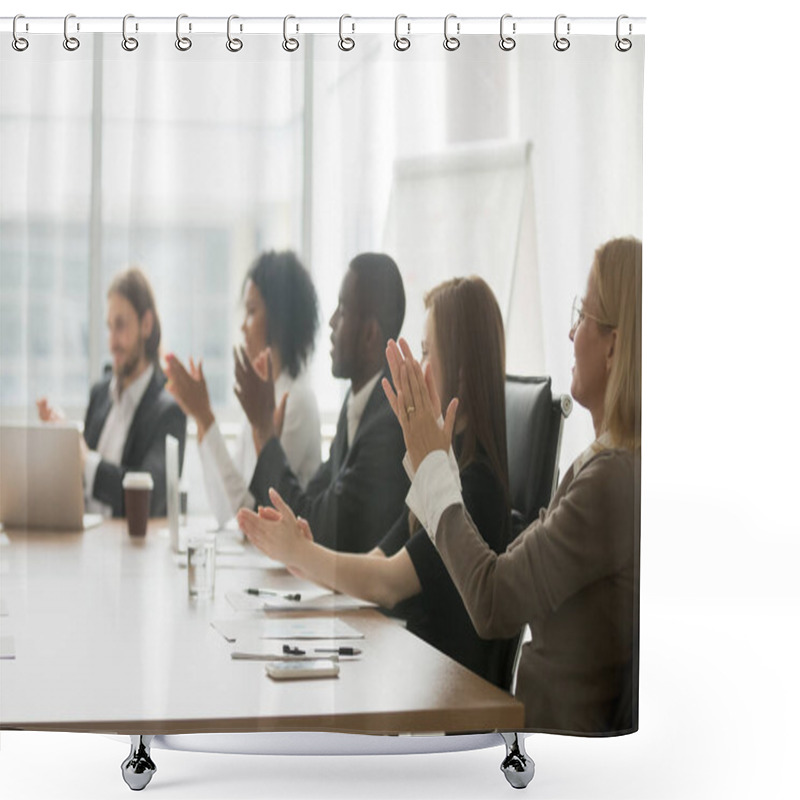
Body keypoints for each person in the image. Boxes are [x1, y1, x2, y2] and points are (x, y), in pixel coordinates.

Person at [383, 237, 642, 734]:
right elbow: (503, 574)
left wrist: (434, 468)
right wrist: (431, 466)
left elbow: (492, 600)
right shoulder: (602, 469)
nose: (571, 332)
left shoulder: (612, 481)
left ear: (613, 344)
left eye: (583, 315)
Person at [238, 277, 515, 685]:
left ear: (459, 369)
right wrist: (301, 554)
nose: (416, 370)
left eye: (425, 352)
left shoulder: (475, 486)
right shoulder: (442, 467)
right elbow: (378, 559)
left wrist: (303, 554)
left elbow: (388, 584)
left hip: (438, 696)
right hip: (409, 672)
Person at [236, 252, 408, 553]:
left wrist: (265, 433)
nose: (331, 322)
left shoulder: (389, 422)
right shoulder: (358, 404)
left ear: (370, 334)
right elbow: (307, 507)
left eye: (342, 310)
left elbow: (319, 530)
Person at [165, 250, 321, 528]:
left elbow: (250, 516)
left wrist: (206, 416)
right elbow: (224, 509)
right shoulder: (262, 399)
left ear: (279, 318)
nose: (243, 326)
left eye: (251, 311)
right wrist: (202, 421)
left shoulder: (296, 402)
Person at [37, 266, 187, 518]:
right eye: (109, 327)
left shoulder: (170, 410)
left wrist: (85, 461)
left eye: (121, 325)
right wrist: (62, 443)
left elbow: (149, 497)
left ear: (146, 324)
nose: (112, 341)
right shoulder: (99, 395)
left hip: (128, 552)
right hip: (83, 542)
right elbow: (79, 485)